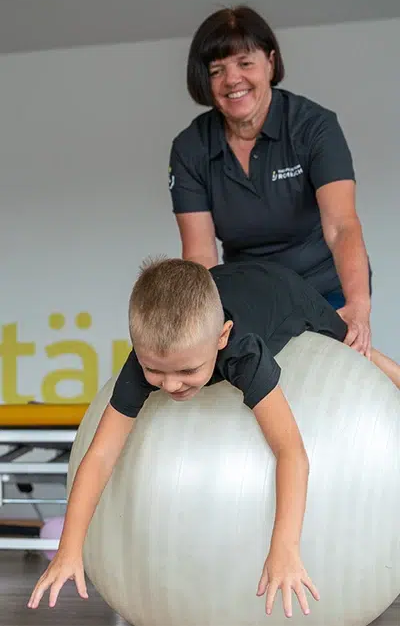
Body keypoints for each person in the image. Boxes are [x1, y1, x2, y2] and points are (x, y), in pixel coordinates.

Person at [27, 258, 399, 618]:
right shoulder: (148, 360)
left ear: (222, 337)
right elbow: (100, 455)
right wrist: (69, 549)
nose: (170, 385)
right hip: (226, 281)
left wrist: (284, 549)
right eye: (154, 370)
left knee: (355, 350)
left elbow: (291, 452)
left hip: (280, 289)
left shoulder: (243, 352)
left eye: (188, 370)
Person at [168, 5, 372, 358]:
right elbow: (201, 255)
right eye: (217, 70)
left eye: (245, 63)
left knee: (328, 388)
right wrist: (205, 328)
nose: (232, 79)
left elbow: (341, 226)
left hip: (326, 291)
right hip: (250, 297)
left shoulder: (314, 127)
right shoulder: (190, 148)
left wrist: (358, 307)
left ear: (270, 63)